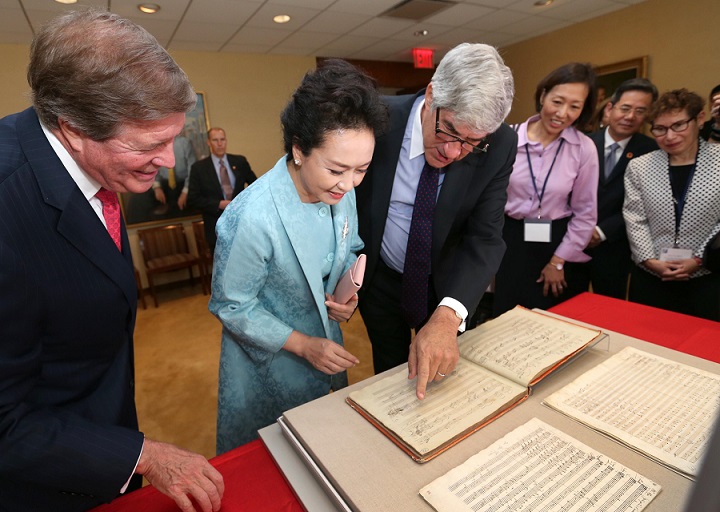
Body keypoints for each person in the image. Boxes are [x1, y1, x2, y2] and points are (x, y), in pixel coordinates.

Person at [0, 10, 224, 512]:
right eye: (151, 145)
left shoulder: (86, 157)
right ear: (73, 127)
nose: (169, 161)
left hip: (99, 417)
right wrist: (144, 456)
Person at [208, 59, 388, 453]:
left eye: (362, 169)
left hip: (325, 347)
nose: (349, 183)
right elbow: (231, 306)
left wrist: (345, 296)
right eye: (338, 169)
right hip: (268, 362)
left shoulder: (342, 191)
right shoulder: (252, 217)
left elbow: (349, 245)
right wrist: (304, 345)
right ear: (299, 150)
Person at [355, 43, 516, 400]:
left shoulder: (502, 143)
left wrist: (450, 314)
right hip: (380, 280)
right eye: (449, 132)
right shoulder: (376, 120)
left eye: (473, 143)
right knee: (390, 376)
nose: (454, 152)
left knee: (445, 384)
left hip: (447, 279)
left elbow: (485, 237)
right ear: (431, 96)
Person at [493, 62, 599, 316]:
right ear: (543, 96)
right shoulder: (507, 138)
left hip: (557, 243)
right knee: (505, 320)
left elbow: (585, 213)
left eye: (575, 106)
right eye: (557, 101)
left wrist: (558, 261)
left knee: (551, 324)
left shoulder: (583, 148)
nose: (563, 113)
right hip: (508, 239)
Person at [624, 88, 720, 321]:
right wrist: (650, 261)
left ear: (699, 119)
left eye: (678, 125)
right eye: (660, 129)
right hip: (651, 276)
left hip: (706, 277)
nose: (669, 136)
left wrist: (698, 260)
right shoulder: (640, 166)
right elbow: (635, 218)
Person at [572, 78, 658, 299]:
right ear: (610, 108)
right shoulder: (582, 143)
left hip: (615, 247)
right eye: (626, 108)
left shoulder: (652, 152)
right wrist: (581, 229)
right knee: (567, 308)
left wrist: (602, 232)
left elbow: (647, 204)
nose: (630, 117)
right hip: (572, 242)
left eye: (640, 111)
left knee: (609, 309)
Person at [188, 127, 256, 251]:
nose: (220, 144)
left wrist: (243, 204)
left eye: (222, 139)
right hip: (216, 228)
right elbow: (193, 199)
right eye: (215, 140)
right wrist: (218, 204)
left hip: (243, 226)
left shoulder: (240, 161)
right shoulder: (199, 168)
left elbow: (255, 187)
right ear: (208, 142)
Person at [152, 134, 197, 215]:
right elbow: (153, 166)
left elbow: (192, 169)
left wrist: (185, 191)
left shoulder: (185, 143)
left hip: (184, 185)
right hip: (164, 186)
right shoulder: (155, 144)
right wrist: (157, 187)